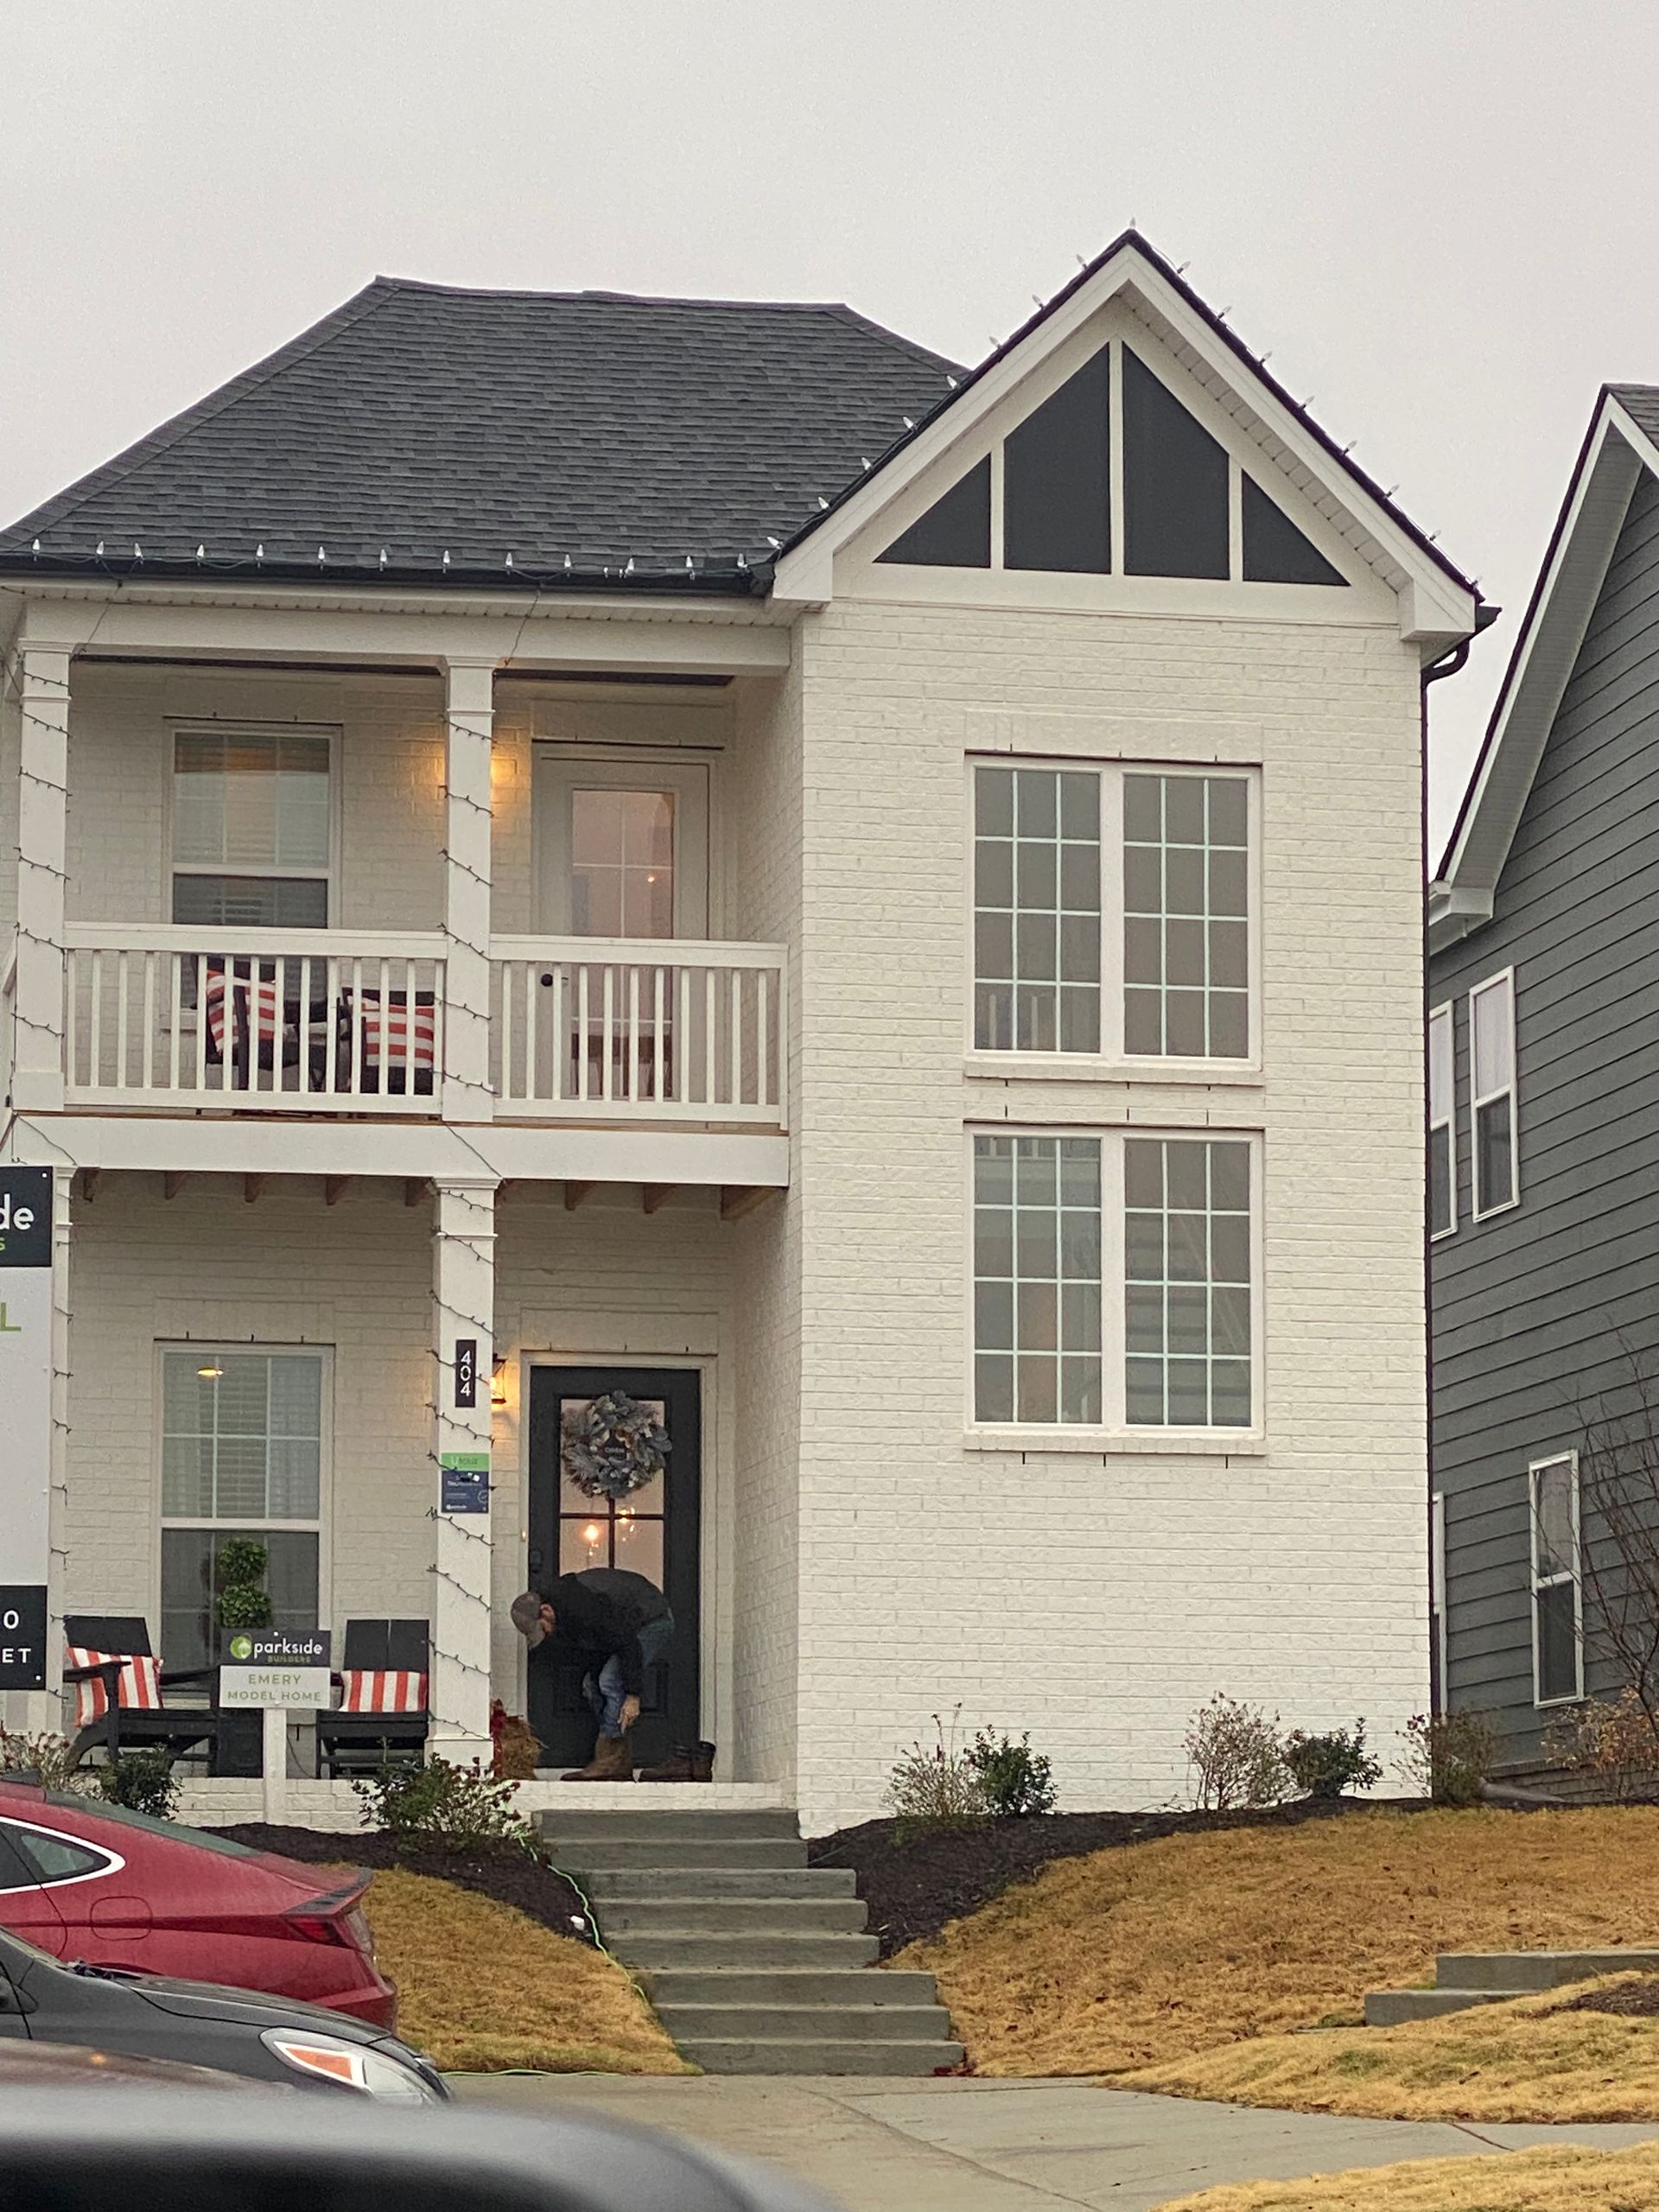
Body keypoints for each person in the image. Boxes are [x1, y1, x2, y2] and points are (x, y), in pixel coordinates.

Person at [510, 1568, 673, 1781]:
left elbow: (627, 1643)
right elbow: (599, 1644)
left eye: (543, 1628)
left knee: (609, 1680)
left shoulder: (583, 1607)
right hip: (623, 1629)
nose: (547, 1634)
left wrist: (633, 1696)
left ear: (547, 1611)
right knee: (591, 1685)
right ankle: (619, 1761)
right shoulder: (566, 1612)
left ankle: (610, 1759)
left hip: (652, 1620)